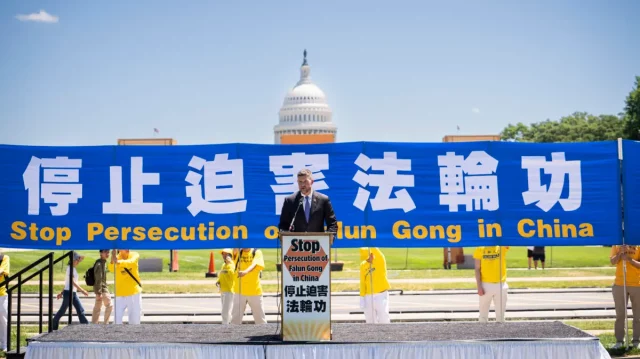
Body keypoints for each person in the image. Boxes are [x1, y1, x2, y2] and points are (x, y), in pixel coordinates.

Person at [278, 168, 338, 233]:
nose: (302, 185)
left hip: (318, 242)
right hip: (296, 242)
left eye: (305, 181)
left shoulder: (323, 200)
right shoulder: (290, 201)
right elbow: (283, 225)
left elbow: (332, 224)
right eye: (300, 182)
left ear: (312, 182)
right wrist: (285, 235)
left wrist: (329, 238)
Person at [610, 244, 640, 349]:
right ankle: (619, 341)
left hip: (637, 284)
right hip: (619, 284)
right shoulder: (617, 245)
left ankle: (636, 341)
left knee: (638, 315)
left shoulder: (638, 245)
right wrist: (620, 253)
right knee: (620, 315)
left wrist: (629, 259)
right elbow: (613, 261)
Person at [52, 252, 89, 330]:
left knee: (80, 310)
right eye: (77, 260)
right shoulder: (70, 269)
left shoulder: (72, 268)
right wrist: (82, 290)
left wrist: (61, 292)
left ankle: (86, 327)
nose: (78, 262)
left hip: (71, 292)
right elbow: (72, 282)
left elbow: (67, 283)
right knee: (64, 310)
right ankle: (53, 324)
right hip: (69, 293)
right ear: (73, 260)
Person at [473, 246, 510, 322]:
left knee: (501, 318)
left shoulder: (501, 247)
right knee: (483, 317)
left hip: (500, 284)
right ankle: (483, 333)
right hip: (485, 285)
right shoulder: (479, 248)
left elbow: (508, 239)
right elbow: (477, 269)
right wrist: (479, 286)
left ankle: (500, 333)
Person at [231, 248, 267, 325]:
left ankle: (264, 336)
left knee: (260, 319)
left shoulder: (256, 252)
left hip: (254, 291)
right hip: (239, 291)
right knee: (235, 319)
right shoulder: (237, 252)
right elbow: (232, 252)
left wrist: (245, 272)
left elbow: (255, 264)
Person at [108, 249, 143, 324]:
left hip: (133, 292)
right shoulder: (116, 257)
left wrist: (118, 262)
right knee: (117, 321)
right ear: (119, 249)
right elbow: (111, 269)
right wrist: (112, 259)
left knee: (135, 321)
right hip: (120, 293)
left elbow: (131, 262)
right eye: (124, 246)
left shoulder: (135, 254)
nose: (127, 248)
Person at [359, 247, 391, 324]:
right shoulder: (363, 265)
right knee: (370, 320)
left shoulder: (380, 259)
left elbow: (375, 248)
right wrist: (362, 296)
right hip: (368, 296)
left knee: (384, 319)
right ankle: (371, 336)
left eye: (368, 257)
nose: (367, 260)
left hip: (381, 294)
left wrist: (368, 240)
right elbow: (362, 282)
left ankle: (386, 335)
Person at [92, 249, 113, 324]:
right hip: (102, 289)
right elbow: (98, 279)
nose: (108, 253)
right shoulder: (99, 264)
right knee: (109, 305)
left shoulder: (102, 262)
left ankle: (94, 324)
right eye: (105, 252)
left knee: (97, 307)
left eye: (108, 252)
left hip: (100, 289)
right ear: (101, 253)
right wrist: (99, 292)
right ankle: (106, 324)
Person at [216, 248, 236, 325]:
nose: (223, 256)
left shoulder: (232, 265)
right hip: (223, 290)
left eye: (225, 254)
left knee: (225, 311)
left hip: (229, 290)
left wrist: (229, 264)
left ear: (229, 255)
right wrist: (218, 281)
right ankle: (227, 323)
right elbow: (222, 275)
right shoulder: (223, 265)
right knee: (225, 310)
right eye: (222, 254)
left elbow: (232, 275)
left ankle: (225, 325)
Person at [0, 251, 10, 351]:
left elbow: (2, 270)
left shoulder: (4, 258)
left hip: (1, 294)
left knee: (3, 321)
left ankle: (4, 345)